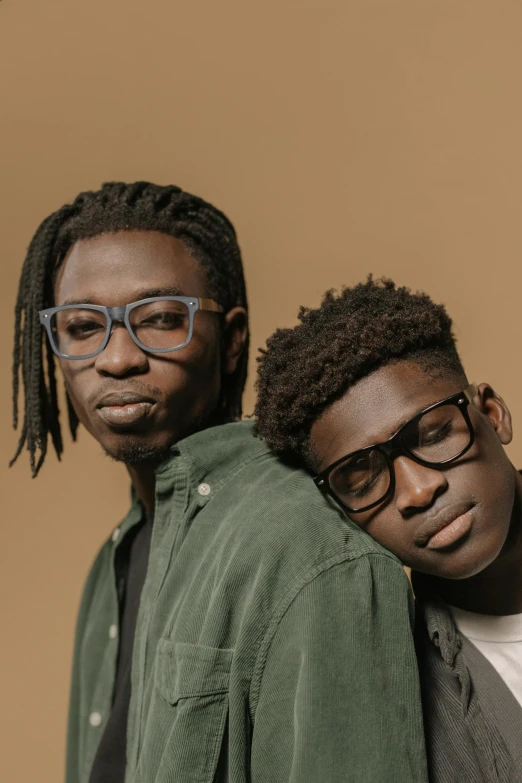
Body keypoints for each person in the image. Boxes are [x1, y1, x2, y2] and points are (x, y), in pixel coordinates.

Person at [11, 186, 428, 783]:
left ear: (232, 341)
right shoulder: (117, 559)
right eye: (82, 327)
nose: (117, 358)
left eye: (158, 319)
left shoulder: (307, 545)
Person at [254, 276, 522, 783]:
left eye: (436, 433)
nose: (418, 491)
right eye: (363, 476)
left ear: (492, 413)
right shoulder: (393, 693)